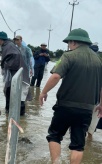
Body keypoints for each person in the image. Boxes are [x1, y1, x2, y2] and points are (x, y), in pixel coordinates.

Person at [39, 28, 102, 163]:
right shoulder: (99, 62)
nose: (68, 45)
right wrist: (101, 104)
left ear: (73, 42)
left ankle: (56, 162)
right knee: (78, 145)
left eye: (69, 43)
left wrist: (43, 92)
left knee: (55, 136)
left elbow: (56, 76)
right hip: (87, 108)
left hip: (66, 106)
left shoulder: (68, 56)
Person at [0, 31, 29, 115]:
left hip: (15, 73)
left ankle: (15, 113)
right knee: (10, 92)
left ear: (1, 39)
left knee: (16, 93)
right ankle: (10, 113)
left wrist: (7, 65)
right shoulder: (7, 45)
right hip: (15, 73)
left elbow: (15, 56)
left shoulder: (9, 46)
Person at [13, 35, 33, 115]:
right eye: (15, 40)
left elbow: (31, 60)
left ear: (21, 40)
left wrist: (31, 69)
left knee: (24, 89)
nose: (16, 41)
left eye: (18, 40)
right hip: (16, 71)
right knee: (16, 88)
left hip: (25, 70)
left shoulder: (27, 49)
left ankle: (22, 110)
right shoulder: (14, 48)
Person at [88, 42, 102, 137]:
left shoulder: (80, 62)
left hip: (80, 99)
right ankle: (89, 142)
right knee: (92, 125)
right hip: (95, 99)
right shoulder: (100, 63)